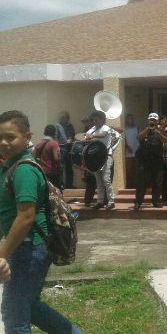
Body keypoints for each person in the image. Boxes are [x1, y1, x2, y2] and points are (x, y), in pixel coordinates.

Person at [0, 110, 84, 334]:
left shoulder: (24, 170)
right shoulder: (10, 166)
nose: (3, 142)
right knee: (30, 306)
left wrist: (3, 255)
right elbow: (6, 215)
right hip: (28, 246)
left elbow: (25, 217)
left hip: (28, 248)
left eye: (10, 136)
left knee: (14, 314)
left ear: (27, 136)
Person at [134, 113, 167, 210]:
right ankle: (138, 202)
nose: (152, 121)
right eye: (151, 119)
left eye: (154, 120)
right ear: (148, 120)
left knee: (157, 183)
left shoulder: (161, 130)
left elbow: (165, 140)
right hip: (144, 161)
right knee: (141, 183)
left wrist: (158, 132)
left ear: (157, 121)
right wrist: (148, 129)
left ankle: (156, 201)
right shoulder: (143, 129)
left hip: (157, 161)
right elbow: (139, 137)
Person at [85, 110, 115, 210]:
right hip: (96, 158)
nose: (95, 122)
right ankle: (100, 201)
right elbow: (86, 137)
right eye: (93, 120)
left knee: (106, 179)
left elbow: (103, 135)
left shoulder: (106, 127)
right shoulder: (92, 129)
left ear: (102, 120)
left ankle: (111, 201)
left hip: (106, 156)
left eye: (96, 119)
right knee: (98, 181)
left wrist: (92, 136)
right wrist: (86, 137)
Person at [55, 111, 75, 189]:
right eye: (66, 117)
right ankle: (61, 185)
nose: (67, 119)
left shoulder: (70, 126)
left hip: (69, 148)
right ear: (62, 118)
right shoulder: (57, 125)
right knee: (61, 167)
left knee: (69, 167)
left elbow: (72, 136)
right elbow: (56, 137)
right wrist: (57, 148)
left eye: (68, 117)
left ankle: (69, 185)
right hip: (61, 147)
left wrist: (71, 139)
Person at [124, 113, 139, 189]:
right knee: (129, 170)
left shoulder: (137, 128)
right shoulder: (124, 128)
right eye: (129, 118)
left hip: (137, 151)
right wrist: (127, 146)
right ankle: (130, 185)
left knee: (136, 168)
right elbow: (123, 140)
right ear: (127, 120)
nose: (131, 120)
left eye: (132, 118)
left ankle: (136, 185)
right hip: (128, 152)